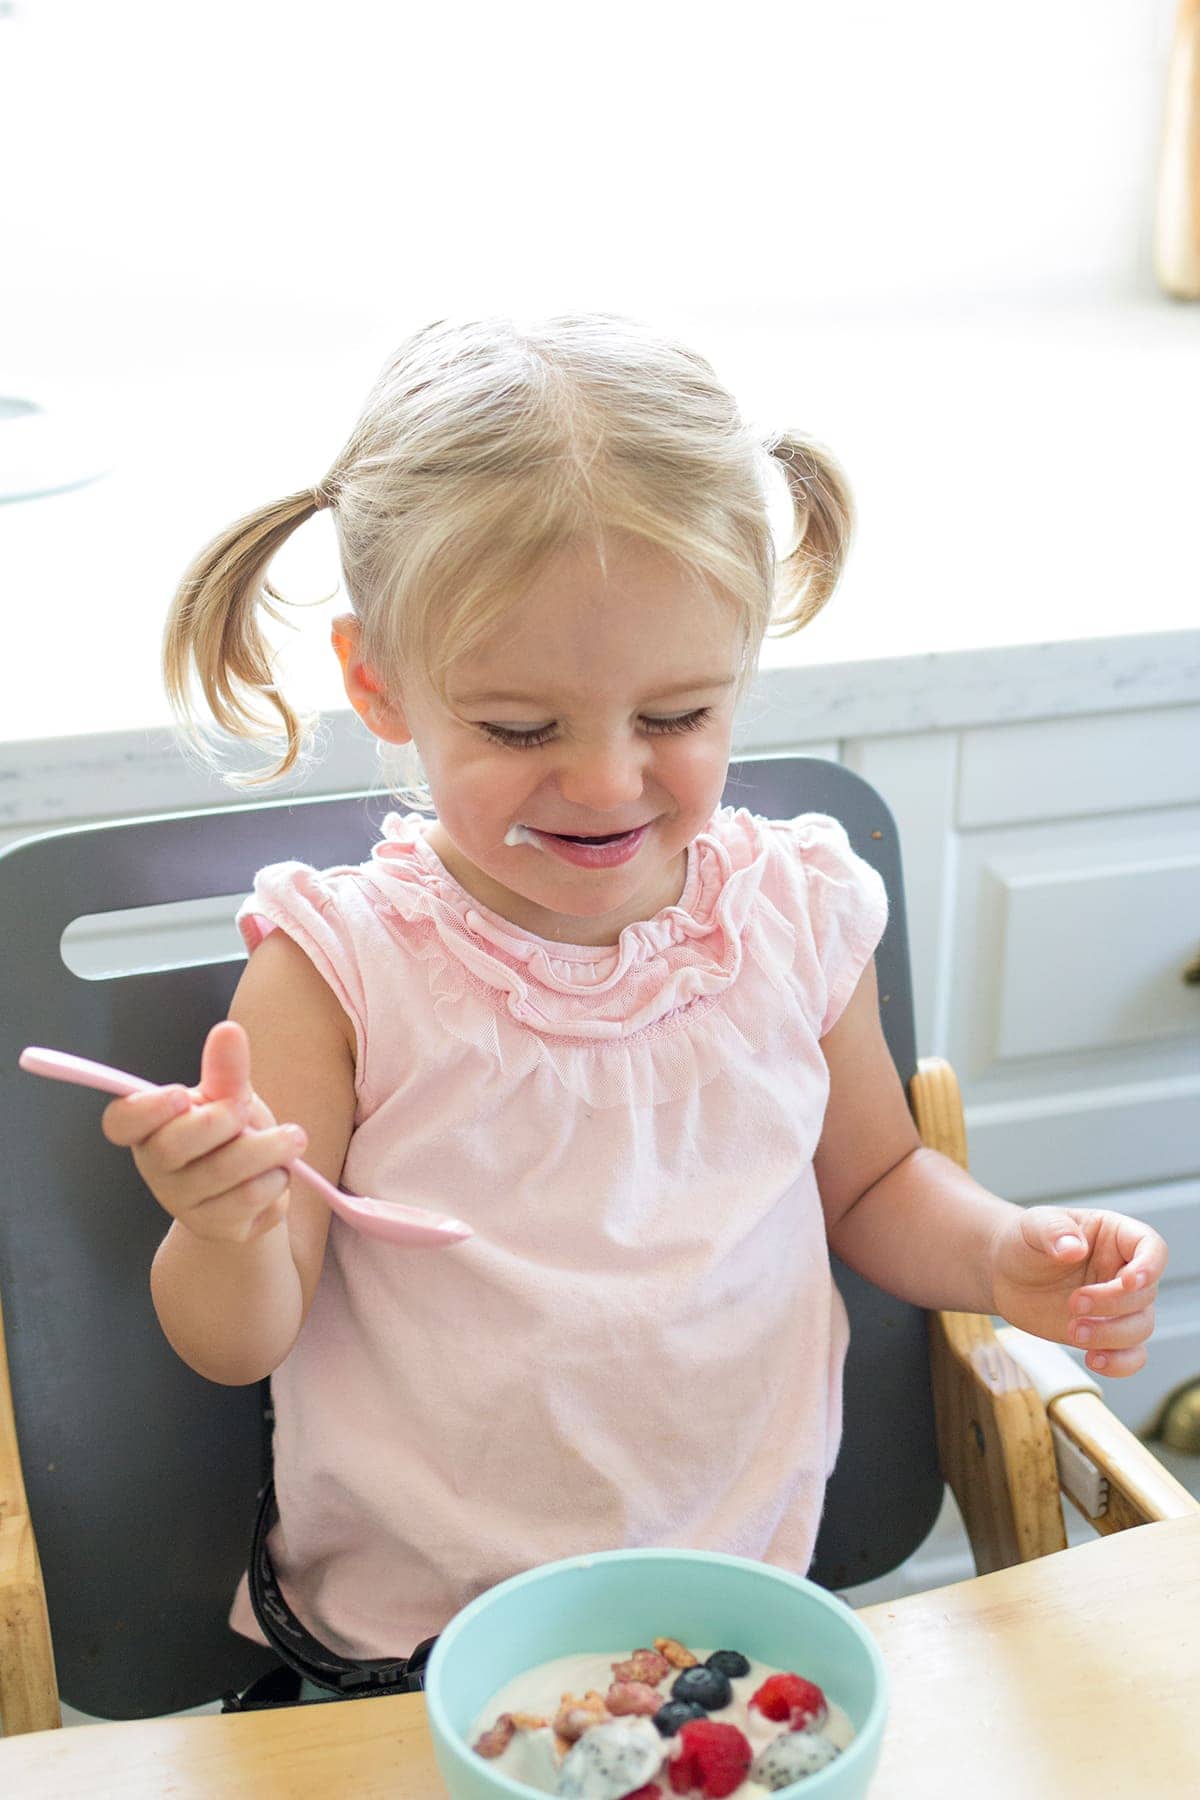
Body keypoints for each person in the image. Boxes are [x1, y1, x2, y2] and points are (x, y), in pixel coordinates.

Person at [100, 315, 1166, 1685]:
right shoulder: (335, 967)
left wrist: (1003, 1252)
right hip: (416, 1652)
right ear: (380, 681)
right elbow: (235, 1337)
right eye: (520, 729)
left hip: (736, 1608)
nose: (607, 783)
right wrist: (224, 1226)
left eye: (677, 717)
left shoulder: (791, 915)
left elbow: (878, 1181)